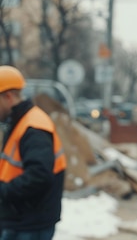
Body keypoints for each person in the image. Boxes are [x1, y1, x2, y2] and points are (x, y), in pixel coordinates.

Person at [0, 65, 66, 240]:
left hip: (29, 223)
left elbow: (39, 175)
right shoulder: (19, 121)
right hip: (21, 217)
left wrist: (3, 190)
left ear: (8, 97)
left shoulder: (33, 127)